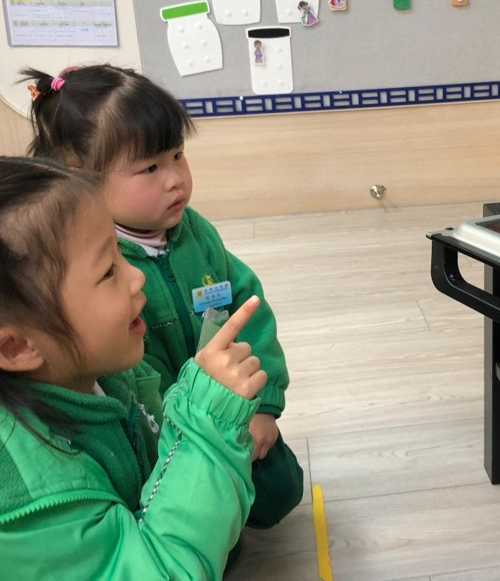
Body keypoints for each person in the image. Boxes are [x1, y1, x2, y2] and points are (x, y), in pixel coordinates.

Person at [0, 156, 266, 578]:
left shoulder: (83, 370)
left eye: (120, 252)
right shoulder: (18, 504)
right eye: (108, 271)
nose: (136, 277)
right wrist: (207, 422)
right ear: (17, 347)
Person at [22, 65, 303, 533]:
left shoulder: (195, 232)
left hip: (229, 405)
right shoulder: (94, 267)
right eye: (150, 168)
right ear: (82, 180)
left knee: (281, 491)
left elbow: (248, 308)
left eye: (177, 155)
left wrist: (264, 404)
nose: (175, 179)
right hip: (161, 434)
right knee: (210, 534)